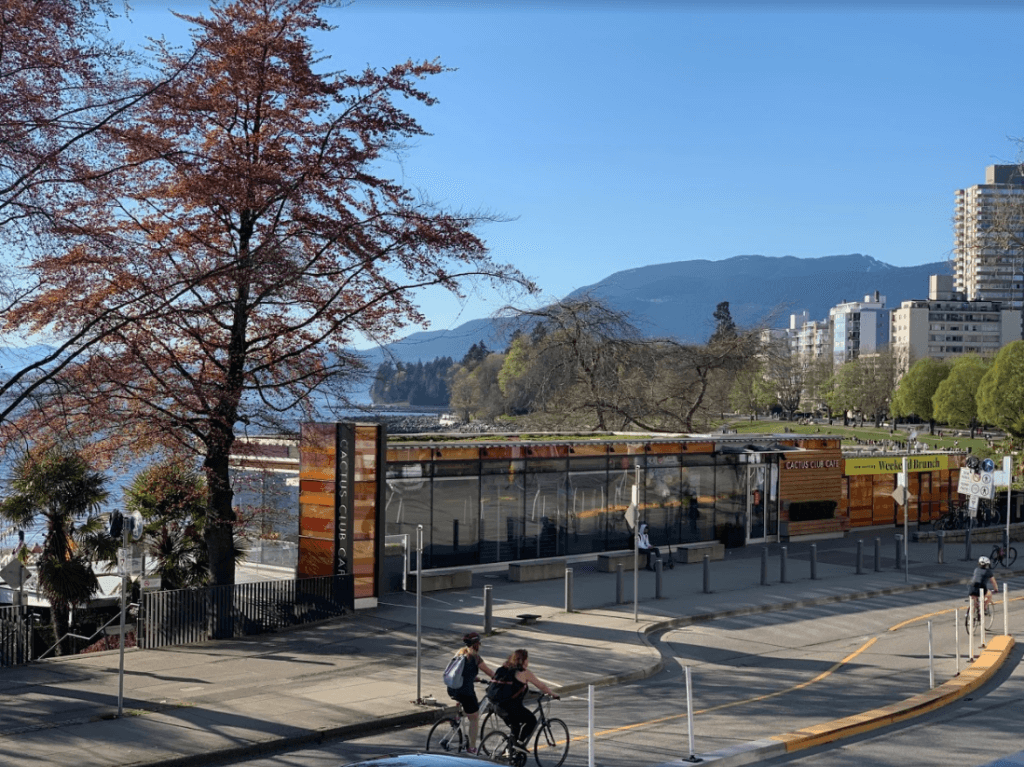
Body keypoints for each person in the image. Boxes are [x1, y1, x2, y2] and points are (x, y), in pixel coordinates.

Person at [489, 648, 559, 754]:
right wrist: (553, 694)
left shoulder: (504, 668)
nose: (528, 661)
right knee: (531, 721)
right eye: (527, 659)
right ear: (524, 660)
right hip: (510, 708)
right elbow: (542, 686)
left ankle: (510, 752)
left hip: (497, 706)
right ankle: (519, 744)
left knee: (516, 726)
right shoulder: (524, 673)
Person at [445, 632, 495, 754]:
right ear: (476, 644)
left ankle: (457, 719)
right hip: (465, 692)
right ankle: (471, 748)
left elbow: (461, 673)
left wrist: (475, 678)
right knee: (474, 718)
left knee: (466, 707)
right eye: (479, 643)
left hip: (452, 688)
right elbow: (490, 672)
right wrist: (501, 680)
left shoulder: (459, 653)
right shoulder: (475, 657)